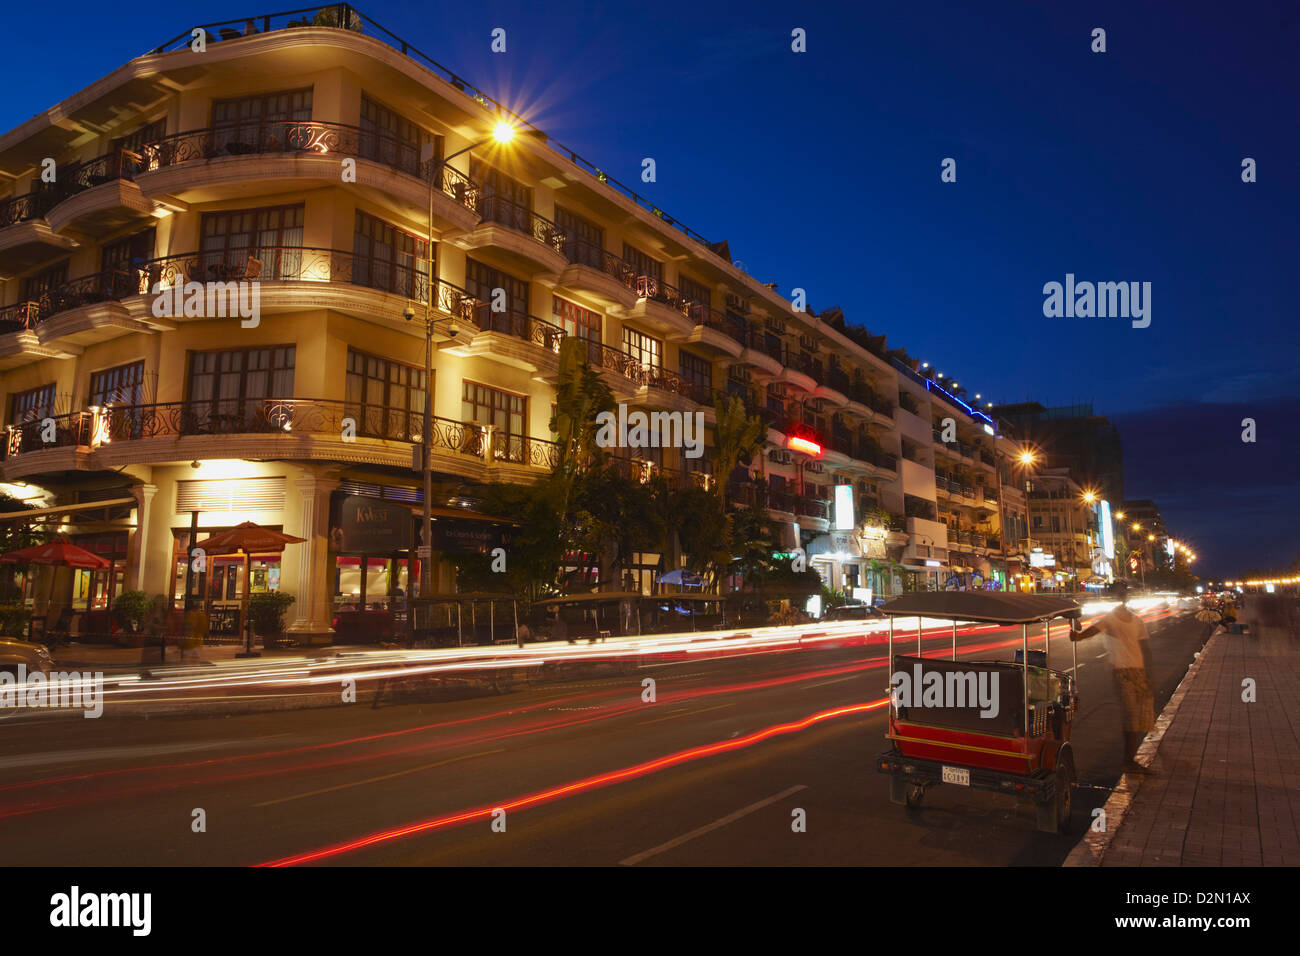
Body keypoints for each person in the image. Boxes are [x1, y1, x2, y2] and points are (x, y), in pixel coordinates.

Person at [1071, 581, 1156, 774]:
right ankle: (1128, 760)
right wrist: (1076, 636)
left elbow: (1146, 649)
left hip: (1139, 672)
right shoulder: (1110, 620)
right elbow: (1090, 632)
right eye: (1119, 593)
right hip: (1122, 671)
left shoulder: (1137, 621)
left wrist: (1149, 675)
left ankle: (1130, 758)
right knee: (1131, 716)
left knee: (1143, 718)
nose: (1122, 596)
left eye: (1124, 593)